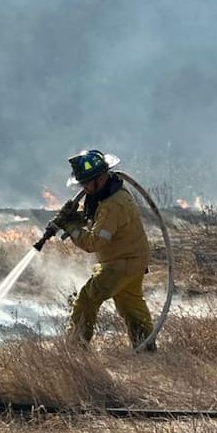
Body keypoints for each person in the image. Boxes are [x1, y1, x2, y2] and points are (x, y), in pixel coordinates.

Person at [51, 149, 155, 350]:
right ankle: (146, 349)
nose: (84, 188)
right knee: (131, 306)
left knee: (86, 299)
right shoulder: (108, 193)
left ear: (99, 178)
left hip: (122, 264)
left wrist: (71, 227)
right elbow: (96, 217)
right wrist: (75, 216)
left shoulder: (113, 205)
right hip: (131, 259)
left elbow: (94, 243)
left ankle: (74, 349)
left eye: (86, 183)